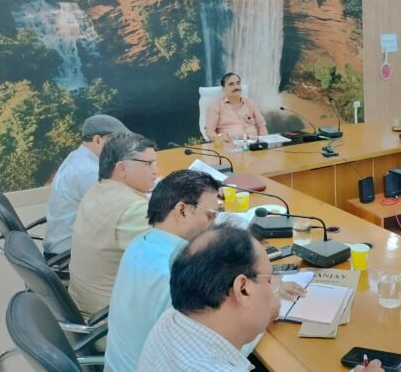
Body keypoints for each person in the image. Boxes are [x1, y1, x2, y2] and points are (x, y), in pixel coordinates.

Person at [105, 170, 306, 371]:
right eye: (210, 216)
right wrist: (266, 309)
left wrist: (260, 283)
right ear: (182, 210)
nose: (213, 225)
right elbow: (217, 350)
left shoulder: (141, 243)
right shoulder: (173, 274)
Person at [69, 132, 158, 318]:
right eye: (148, 164)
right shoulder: (132, 209)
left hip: (85, 304)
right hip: (110, 318)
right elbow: (174, 253)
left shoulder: (97, 190)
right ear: (122, 168)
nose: (155, 171)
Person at [43, 114, 130, 257]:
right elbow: (121, 213)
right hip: (68, 256)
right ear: (97, 140)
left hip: (64, 246)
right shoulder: (88, 172)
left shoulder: (78, 158)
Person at [205, 72, 268, 142]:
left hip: (253, 144)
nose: (236, 87)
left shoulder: (251, 104)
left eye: (238, 83)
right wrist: (224, 142)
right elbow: (209, 132)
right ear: (223, 89)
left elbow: (262, 126)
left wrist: (263, 142)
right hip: (229, 145)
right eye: (231, 84)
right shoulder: (216, 107)